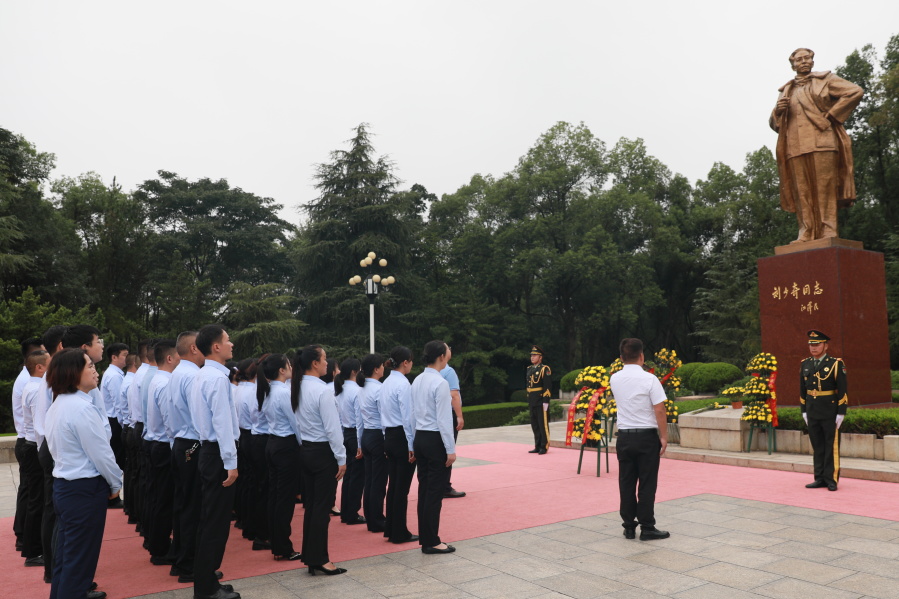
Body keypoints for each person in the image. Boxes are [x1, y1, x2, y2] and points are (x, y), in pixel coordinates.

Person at [45, 348, 123, 599]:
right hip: (83, 490)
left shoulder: (60, 404)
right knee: (79, 561)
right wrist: (115, 484)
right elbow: (101, 454)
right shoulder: (81, 408)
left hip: (67, 488)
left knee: (67, 557)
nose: (95, 371)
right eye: (89, 366)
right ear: (73, 372)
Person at [770, 47, 864, 242]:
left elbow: (855, 91)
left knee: (825, 189)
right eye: (799, 60)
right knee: (801, 192)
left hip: (823, 142)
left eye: (807, 58)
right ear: (793, 65)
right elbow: (775, 124)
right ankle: (806, 231)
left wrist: (832, 115)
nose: (803, 62)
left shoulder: (826, 80)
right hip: (795, 147)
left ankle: (828, 230)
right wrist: (777, 111)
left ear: (812, 61)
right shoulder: (786, 90)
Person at [188, 325, 241, 599]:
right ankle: (206, 588)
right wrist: (231, 462)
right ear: (216, 346)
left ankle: (207, 581)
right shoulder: (217, 379)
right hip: (218, 453)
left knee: (210, 520)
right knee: (215, 523)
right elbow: (222, 422)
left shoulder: (202, 375)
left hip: (209, 451)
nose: (232, 344)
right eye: (227, 340)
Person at [292, 345, 347, 575]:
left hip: (307, 450)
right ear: (314, 363)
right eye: (324, 359)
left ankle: (312, 556)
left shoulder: (297, 387)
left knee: (313, 507)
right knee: (321, 509)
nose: (327, 363)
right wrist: (341, 457)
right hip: (323, 453)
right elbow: (333, 428)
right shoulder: (322, 390)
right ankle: (320, 559)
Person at [609, 338, 669, 541]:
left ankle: (628, 526)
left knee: (626, 482)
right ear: (642, 356)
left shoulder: (614, 379)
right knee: (647, 483)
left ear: (621, 358)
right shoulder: (650, 379)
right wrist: (664, 436)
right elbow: (659, 409)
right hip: (646, 438)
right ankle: (647, 527)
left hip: (624, 437)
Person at [411, 340, 457, 554]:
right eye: (447, 350)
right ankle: (431, 541)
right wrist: (450, 449)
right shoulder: (440, 383)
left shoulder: (417, 380)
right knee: (434, 492)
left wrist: (412, 442)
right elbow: (444, 419)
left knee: (424, 489)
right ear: (441, 356)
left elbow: (411, 415)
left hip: (420, 437)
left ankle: (426, 538)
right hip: (434, 439)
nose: (449, 353)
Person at [168, 331, 204, 583]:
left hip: (181, 443)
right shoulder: (192, 376)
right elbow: (199, 416)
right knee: (193, 506)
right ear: (193, 348)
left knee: (183, 504)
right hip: (192, 444)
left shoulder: (177, 372)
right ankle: (189, 564)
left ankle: (180, 559)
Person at [257, 353, 302, 561]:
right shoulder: (283, 392)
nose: (291, 367)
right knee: (284, 499)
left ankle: (277, 543)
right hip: (285, 446)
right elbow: (295, 423)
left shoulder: (269, 391)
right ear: (281, 370)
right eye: (288, 365)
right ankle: (283, 546)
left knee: (275, 496)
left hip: (273, 443)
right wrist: (303, 445)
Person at [34, 325, 67, 584]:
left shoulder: (55, 372)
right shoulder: (55, 374)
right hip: (52, 446)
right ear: (62, 346)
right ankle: (54, 569)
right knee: (53, 511)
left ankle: (55, 568)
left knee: (54, 511)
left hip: (50, 445)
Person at [144, 339, 180, 564]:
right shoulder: (165, 383)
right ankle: (160, 549)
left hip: (156, 444)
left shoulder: (157, 379)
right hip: (164, 446)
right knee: (165, 500)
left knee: (159, 497)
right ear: (169, 358)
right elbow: (170, 423)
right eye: (178, 356)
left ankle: (156, 542)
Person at [800, 330, 848, 491]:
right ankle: (819, 477)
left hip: (829, 411)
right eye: (811, 344)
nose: (813, 347)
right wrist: (803, 410)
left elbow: (843, 389)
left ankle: (831, 479)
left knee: (830, 446)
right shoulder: (805, 364)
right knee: (817, 445)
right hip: (812, 410)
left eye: (817, 344)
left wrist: (841, 412)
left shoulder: (835, 364)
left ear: (825, 346)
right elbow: (802, 389)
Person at [381, 346, 418, 544]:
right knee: (401, 488)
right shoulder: (403, 384)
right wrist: (412, 444)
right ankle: (399, 532)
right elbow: (408, 417)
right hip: (401, 437)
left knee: (393, 485)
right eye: (411, 361)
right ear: (405, 362)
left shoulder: (386, 382)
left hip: (389, 435)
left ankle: (391, 529)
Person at [11, 336, 44, 556]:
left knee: (29, 491)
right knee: (32, 495)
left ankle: (24, 535)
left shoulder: (27, 378)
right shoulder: (30, 382)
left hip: (27, 440)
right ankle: (25, 538)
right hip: (29, 441)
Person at [19, 349, 50, 567]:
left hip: (31, 446)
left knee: (36, 498)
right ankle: (33, 551)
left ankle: (33, 548)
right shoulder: (37, 389)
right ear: (39, 367)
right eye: (49, 364)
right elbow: (41, 427)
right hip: (33, 447)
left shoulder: (33, 386)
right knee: (38, 500)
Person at [334, 357, 365, 525]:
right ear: (354, 372)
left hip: (345, 434)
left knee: (349, 475)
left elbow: (338, 418)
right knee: (357, 476)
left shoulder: (340, 390)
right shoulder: (357, 391)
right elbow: (359, 420)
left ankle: (346, 511)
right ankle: (352, 512)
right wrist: (360, 444)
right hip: (355, 434)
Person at [359, 353, 387, 533]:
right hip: (377, 436)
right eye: (382, 365)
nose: (384, 368)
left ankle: (371, 517)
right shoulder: (379, 389)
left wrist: (359, 441)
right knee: (378, 481)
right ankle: (377, 520)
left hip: (367, 435)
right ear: (376, 369)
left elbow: (359, 419)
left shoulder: (361, 388)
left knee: (369, 480)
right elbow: (384, 417)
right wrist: (386, 440)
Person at [233, 358, 258, 535]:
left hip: (240, 435)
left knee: (244, 479)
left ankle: (242, 518)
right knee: (252, 481)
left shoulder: (236, 389)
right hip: (250, 435)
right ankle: (250, 522)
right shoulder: (252, 391)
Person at [100, 343, 129, 474]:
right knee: (119, 457)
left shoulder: (114, 373)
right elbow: (119, 404)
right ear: (114, 357)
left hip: (113, 420)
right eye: (124, 355)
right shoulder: (114, 376)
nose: (127, 358)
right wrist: (124, 426)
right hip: (115, 421)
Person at [440, 364, 465, 498]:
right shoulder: (448, 371)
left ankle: (438, 485)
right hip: (448, 414)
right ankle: (445, 486)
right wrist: (459, 416)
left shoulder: (424, 376)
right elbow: (454, 395)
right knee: (448, 449)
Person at [526, 345, 552, 455]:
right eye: (531, 355)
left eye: (534, 355)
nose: (532, 357)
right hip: (532, 400)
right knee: (535, 425)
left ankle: (544, 446)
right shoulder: (529, 369)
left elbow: (547, 386)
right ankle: (537, 445)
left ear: (540, 357)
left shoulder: (544, 369)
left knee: (542, 424)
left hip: (541, 400)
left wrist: (546, 401)